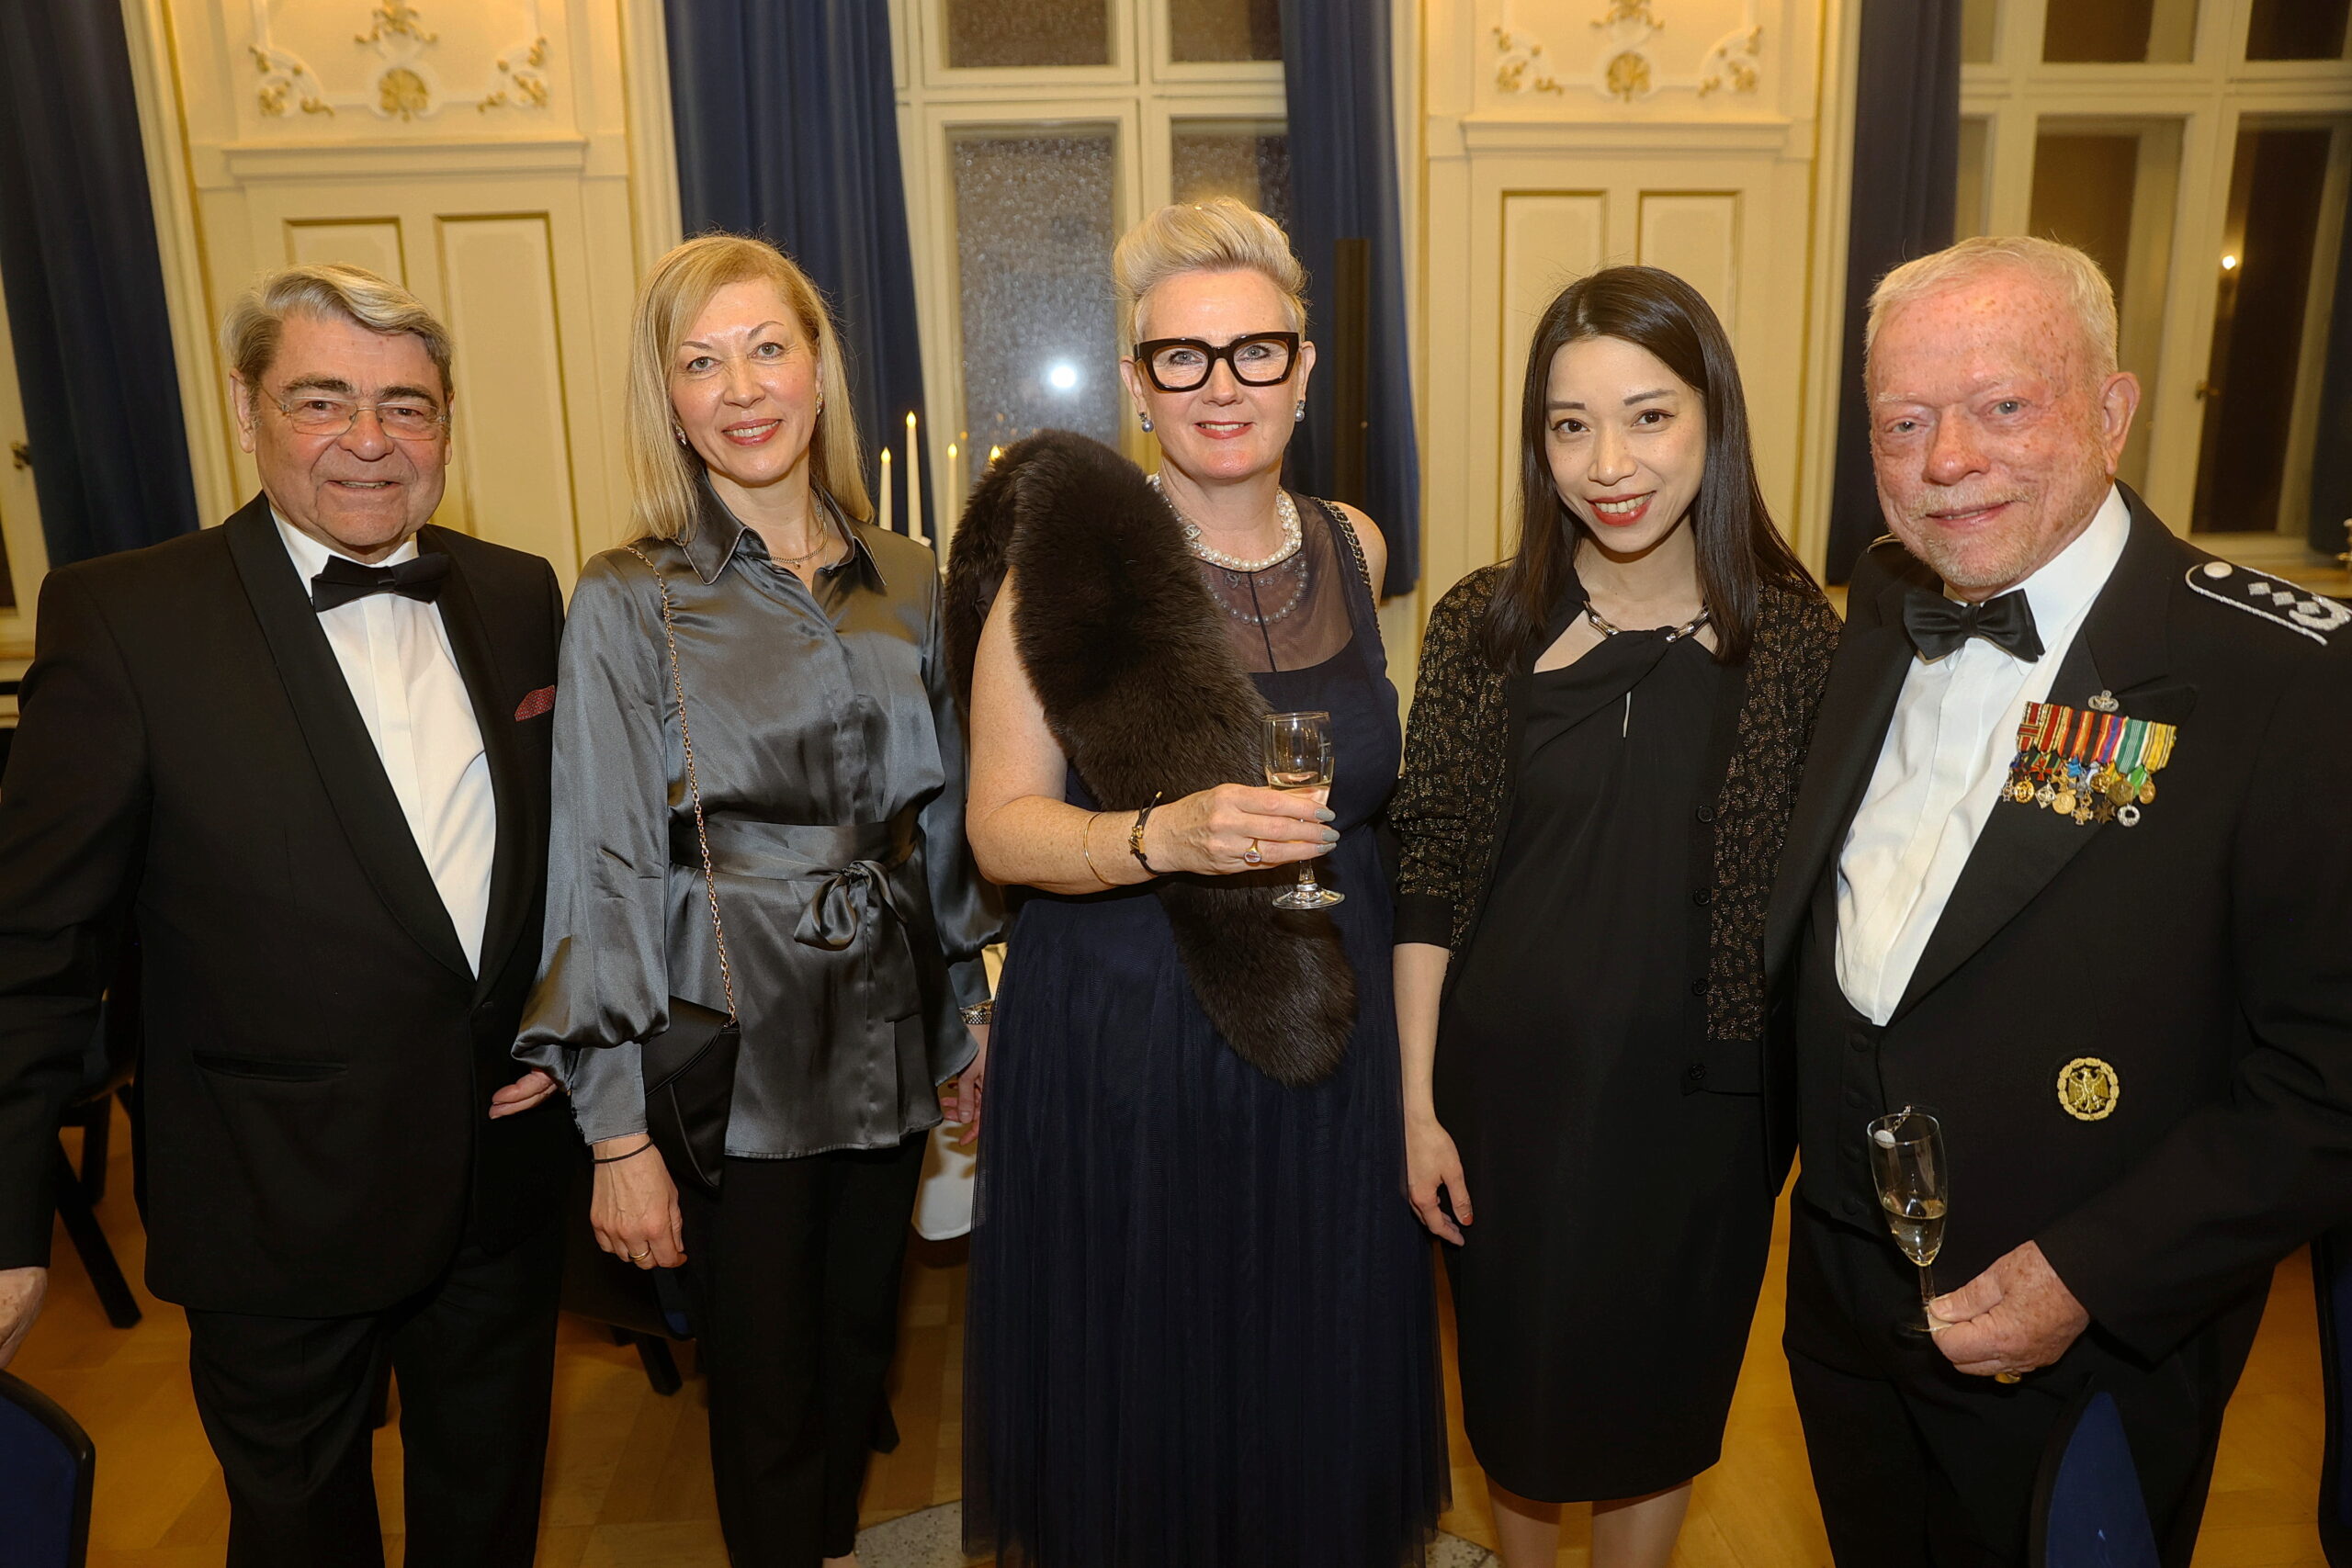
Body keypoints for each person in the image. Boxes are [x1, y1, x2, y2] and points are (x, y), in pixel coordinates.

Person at [1764, 233, 2352, 1566]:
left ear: (2114, 410)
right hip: (1846, 1295)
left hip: (2084, 1332)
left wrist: (2089, 1272)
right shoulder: (1883, 603)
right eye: (1903, 421)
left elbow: (2331, 1074)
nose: (1947, 461)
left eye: (2003, 405)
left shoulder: (2286, 682)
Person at [0, 265, 571, 1564]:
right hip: (273, 1197)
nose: (370, 439)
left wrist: (566, 1017)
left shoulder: (516, 591)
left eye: (407, 406)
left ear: (446, 425)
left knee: (488, 1521)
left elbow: (566, 852)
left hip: (498, 1175)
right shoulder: (127, 617)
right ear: (245, 408)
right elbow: (34, 948)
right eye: (322, 400)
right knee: (299, 1538)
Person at [948, 197, 1446, 1568]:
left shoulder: (1356, 546)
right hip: (1132, 1036)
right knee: (1153, 1390)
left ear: (1303, 368)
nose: (1222, 387)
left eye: (1254, 352)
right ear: (1137, 382)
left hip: (1330, 1019)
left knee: (1308, 1370)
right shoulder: (1063, 577)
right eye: (1183, 357)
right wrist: (1158, 836)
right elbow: (1001, 829)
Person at [514, 233, 999, 1568]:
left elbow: (942, 818)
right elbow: (603, 864)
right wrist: (616, 1133)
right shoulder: (630, 595)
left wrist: (966, 1013)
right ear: (667, 399)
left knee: (857, 1352)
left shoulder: (909, 573)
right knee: (767, 1381)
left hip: (889, 1016)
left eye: (767, 348)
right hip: (728, 1036)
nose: (741, 389)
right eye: (701, 362)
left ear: (818, 368)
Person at [1388, 265, 1838, 1568]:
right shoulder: (1485, 625)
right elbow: (1428, 864)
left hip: (1705, 1115)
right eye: (1570, 425)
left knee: (1661, 1415)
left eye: (1649, 417)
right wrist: (1416, 1106)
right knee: (1521, 1419)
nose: (1608, 465)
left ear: (1714, 419)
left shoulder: (1799, 645)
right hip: (1504, 1109)